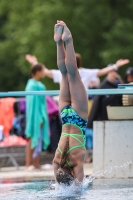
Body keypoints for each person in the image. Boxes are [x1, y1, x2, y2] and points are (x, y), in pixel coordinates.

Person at [52, 20, 88, 186]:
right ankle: (59, 42)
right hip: (65, 116)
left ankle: (69, 40)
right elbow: (57, 174)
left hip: (79, 119)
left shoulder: (76, 163)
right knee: (65, 73)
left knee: (73, 74)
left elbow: (79, 188)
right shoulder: (57, 161)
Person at [25, 55, 129, 90]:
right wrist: (115, 66)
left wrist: (35, 62)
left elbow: (45, 72)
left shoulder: (83, 73)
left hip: (78, 105)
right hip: (69, 105)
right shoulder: (63, 73)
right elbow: (45, 72)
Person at [25, 63, 50, 170]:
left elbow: (42, 104)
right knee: (32, 138)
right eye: (43, 70)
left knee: (38, 138)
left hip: (41, 115)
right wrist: (37, 117)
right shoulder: (31, 85)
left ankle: (36, 163)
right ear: (38, 72)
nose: (44, 72)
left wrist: (43, 116)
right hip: (34, 116)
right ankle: (28, 164)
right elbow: (32, 105)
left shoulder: (40, 85)